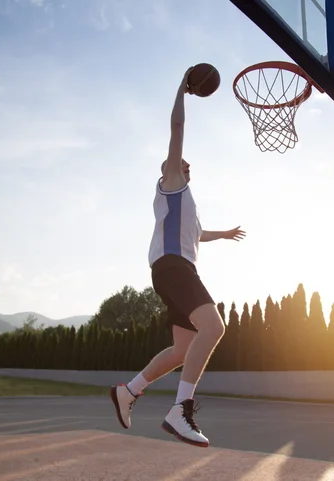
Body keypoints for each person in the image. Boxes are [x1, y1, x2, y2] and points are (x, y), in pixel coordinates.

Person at [110, 67, 246, 448]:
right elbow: (176, 129)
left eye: (186, 165)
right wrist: (181, 92)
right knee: (215, 328)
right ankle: (179, 409)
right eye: (178, 163)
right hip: (174, 268)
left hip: (172, 268)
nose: (184, 165)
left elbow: (197, 234)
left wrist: (225, 234)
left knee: (182, 350)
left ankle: (129, 390)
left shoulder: (185, 206)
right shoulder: (170, 184)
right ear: (169, 171)